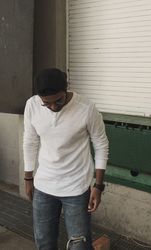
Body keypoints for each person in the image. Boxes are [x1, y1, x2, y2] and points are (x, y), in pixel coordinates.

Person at [23, 68, 109, 250]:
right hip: (43, 187)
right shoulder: (32, 105)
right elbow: (30, 141)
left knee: (79, 246)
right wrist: (28, 177)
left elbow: (101, 145)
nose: (54, 107)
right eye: (47, 103)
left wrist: (98, 186)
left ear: (66, 88)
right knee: (44, 244)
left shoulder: (86, 109)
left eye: (59, 100)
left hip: (76, 189)